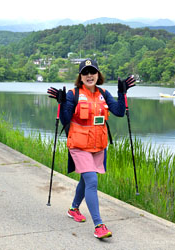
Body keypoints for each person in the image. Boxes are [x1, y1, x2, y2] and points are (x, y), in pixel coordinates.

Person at [47, 59, 135, 239]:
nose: (89, 75)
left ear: (98, 74)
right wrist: (62, 102)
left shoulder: (104, 93)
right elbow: (65, 120)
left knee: (86, 180)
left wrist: (122, 91)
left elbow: (118, 112)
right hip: (79, 145)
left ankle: (73, 209)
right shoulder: (74, 94)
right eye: (85, 72)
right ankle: (99, 225)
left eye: (92, 72)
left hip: (98, 145)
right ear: (80, 76)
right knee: (92, 180)